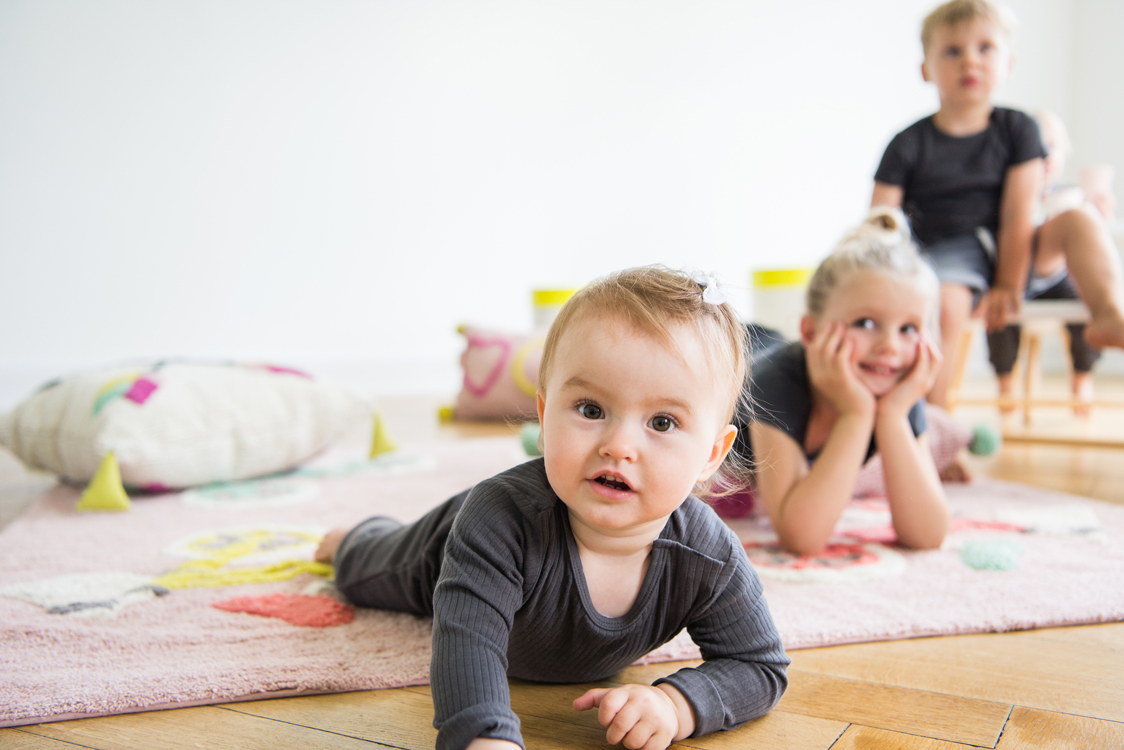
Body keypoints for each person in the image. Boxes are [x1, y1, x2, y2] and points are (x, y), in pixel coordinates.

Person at [315, 267, 789, 750]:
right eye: (591, 410)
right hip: (438, 555)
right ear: (544, 418)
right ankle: (358, 537)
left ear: (711, 454)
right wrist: (486, 737)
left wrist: (678, 704)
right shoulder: (497, 521)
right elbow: (467, 646)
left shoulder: (709, 555)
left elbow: (760, 665)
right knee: (362, 569)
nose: (619, 446)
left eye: (662, 422)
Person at [870, 0, 1124, 412]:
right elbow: (881, 221)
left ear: (1009, 63)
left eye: (985, 48)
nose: (970, 60)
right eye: (953, 51)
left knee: (1080, 218)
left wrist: (1008, 281)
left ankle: (1110, 313)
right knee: (946, 300)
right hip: (946, 258)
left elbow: (1017, 211)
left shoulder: (1020, 128)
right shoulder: (907, 143)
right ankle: (936, 424)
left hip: (1017, 249)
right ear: (926, 69)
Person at [734, 207, 950, 556]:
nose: (890, 347)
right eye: (865, 323)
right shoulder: (773, 384)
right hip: (744, 352)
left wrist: (893, 417)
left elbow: (927, 536)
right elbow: (801, 538)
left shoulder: (897, 388)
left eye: (908, 329)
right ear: (810, 331)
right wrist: (857, 415)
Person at [986, 110, 1117, 415]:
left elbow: (1093, 245)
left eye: (1052, 146)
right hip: (1013, 273)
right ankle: (1006, 382)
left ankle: (1082, 378)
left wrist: (1101, 214)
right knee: (1000, 309)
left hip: (1057, 277)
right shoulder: (1005, 194)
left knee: (1084, 302)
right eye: (1036, 145)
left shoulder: (1071, 194)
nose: (1044, 155)